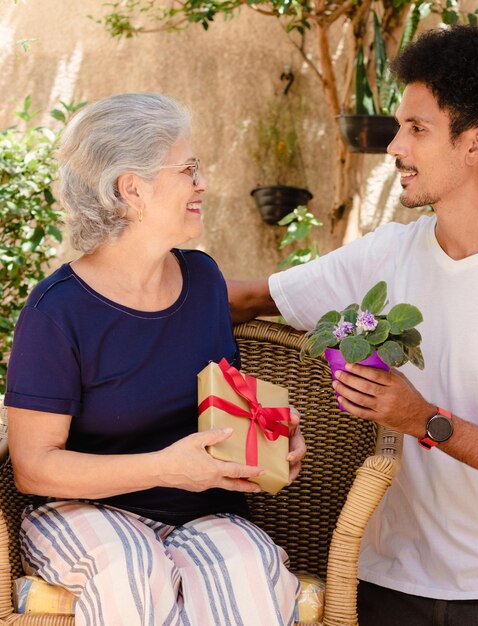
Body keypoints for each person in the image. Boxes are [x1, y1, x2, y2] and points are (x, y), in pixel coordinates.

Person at [228, 26, 478, 625]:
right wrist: (107, 288)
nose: (395, 145)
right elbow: (247, 298)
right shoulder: (388, 254)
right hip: (384, 586)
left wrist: (423, 420)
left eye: (417, 129)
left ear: (476, 143)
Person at [4, 93, 305, 626]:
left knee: (248, 573)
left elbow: (229, 397)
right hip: (86, 511)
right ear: (131, 189)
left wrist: (273, 441)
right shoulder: (58, 311)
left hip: (205, 511)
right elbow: (33, 467)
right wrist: (167, 468)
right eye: (188, 169)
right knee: (133, 571)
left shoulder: (204, 280)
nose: (202, 183)